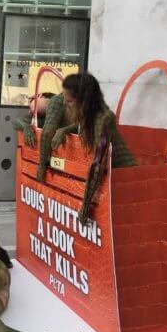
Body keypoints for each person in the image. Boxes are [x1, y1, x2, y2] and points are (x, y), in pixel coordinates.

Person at [38, 72, 137, 223]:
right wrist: (64, 130)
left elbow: (98, 164)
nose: (64, 103)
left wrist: (85, 205)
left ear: (84, 101)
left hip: (124, 180)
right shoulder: (89, 115)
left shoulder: (103, 118)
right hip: (113, 179)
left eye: (69, 101)